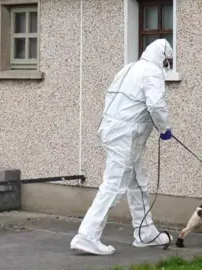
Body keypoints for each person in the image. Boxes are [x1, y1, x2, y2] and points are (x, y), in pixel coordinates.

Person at [70, 39, 174, 255]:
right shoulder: (152, 73)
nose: (167, 67)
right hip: (126, 136)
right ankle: (87, 235)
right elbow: (155, 105)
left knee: (138, 183)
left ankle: (145, 232)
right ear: (162, 59)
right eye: (167, 63)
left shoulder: (129, 68)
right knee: (114, 185)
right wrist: (164, 127)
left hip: (118, 132)